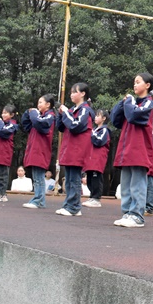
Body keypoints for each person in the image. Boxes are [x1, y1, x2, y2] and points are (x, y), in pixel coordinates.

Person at [110, 72, 153, 227]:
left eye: (138, 82)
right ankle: (127, 213)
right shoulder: (132, 103)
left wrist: (129, 102)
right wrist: (122, 103)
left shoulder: (149, 103)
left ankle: (137, 215)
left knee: (137, 184)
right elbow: (115, 120)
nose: (135, 85)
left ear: (147, 85)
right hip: (126, 149)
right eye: (134, 82)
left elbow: (133, 116)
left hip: (139, 150)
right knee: (126, 185)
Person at [55, 82, 93, 217]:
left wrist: (65, 112)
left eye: (74, 92)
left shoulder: (85, 110)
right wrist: (60, 114)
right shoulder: (72, 110)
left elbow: (75, 125)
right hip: (70, 148)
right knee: (69, 178)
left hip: (78, 149)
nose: (71, 95)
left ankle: (74, 207)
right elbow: (61, 127)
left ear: (83, 94)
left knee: (74, 179)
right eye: (71, 92)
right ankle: (69, 204)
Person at [21, 94, 56, 209]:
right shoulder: (39, 116)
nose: (38, 105)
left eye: (41, 102)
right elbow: (26, 124)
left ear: (48, 104)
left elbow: (39, 123)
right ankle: (40, 201)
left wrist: (33, 113)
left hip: (41, 150)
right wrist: (28, 112)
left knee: (39, 178)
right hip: (35, 150)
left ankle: (38, 200)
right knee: (37, 177)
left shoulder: (49, 116)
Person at [82, 109, 111, 208]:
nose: (95, 117)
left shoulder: (104, 130)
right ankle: (92, 196)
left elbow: (99, 141)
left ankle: (96, 198)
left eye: (98, 116)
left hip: (97, 159)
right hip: (90, 158)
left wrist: (92, 133)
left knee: (96, 178)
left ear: (104, 118)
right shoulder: (94, 130)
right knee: (90, 178)